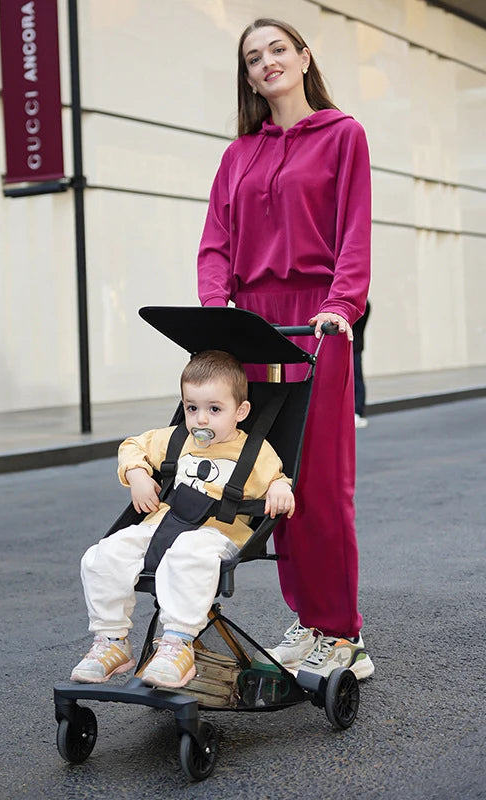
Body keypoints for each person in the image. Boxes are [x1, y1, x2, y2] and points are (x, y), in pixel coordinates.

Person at [197, 18, 374, 679]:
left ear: (303, 58)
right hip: (251, 326)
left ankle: (343, 635)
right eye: (253, 57)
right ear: (246, 77)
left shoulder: (342, 135)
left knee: (321, 483)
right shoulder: (238, 155)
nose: (267, 62)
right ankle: (308, 620)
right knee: (271, 481)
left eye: (278, 49)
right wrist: (216, 315)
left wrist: (340, 305)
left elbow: (354, 231)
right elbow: (215, 241)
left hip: (316, 323)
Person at [70, 350, 295, 689]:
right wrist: (137, 474)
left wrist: (279, 489)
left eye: (214, 409)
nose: (200, 420)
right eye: (192, 408)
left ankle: (177, 643)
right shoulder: (176, 437)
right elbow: (133, 445)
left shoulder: (254, 451)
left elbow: (277, 477)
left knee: (188, 552)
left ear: (241, 412)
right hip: (164, 525)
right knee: (101, 556)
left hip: (216, 533)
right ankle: (111, 641)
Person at [353, 300, 371, 428]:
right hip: (354, 345)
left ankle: (358, 412)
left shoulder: (363, 304)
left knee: (357, 379)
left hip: (355, 346)